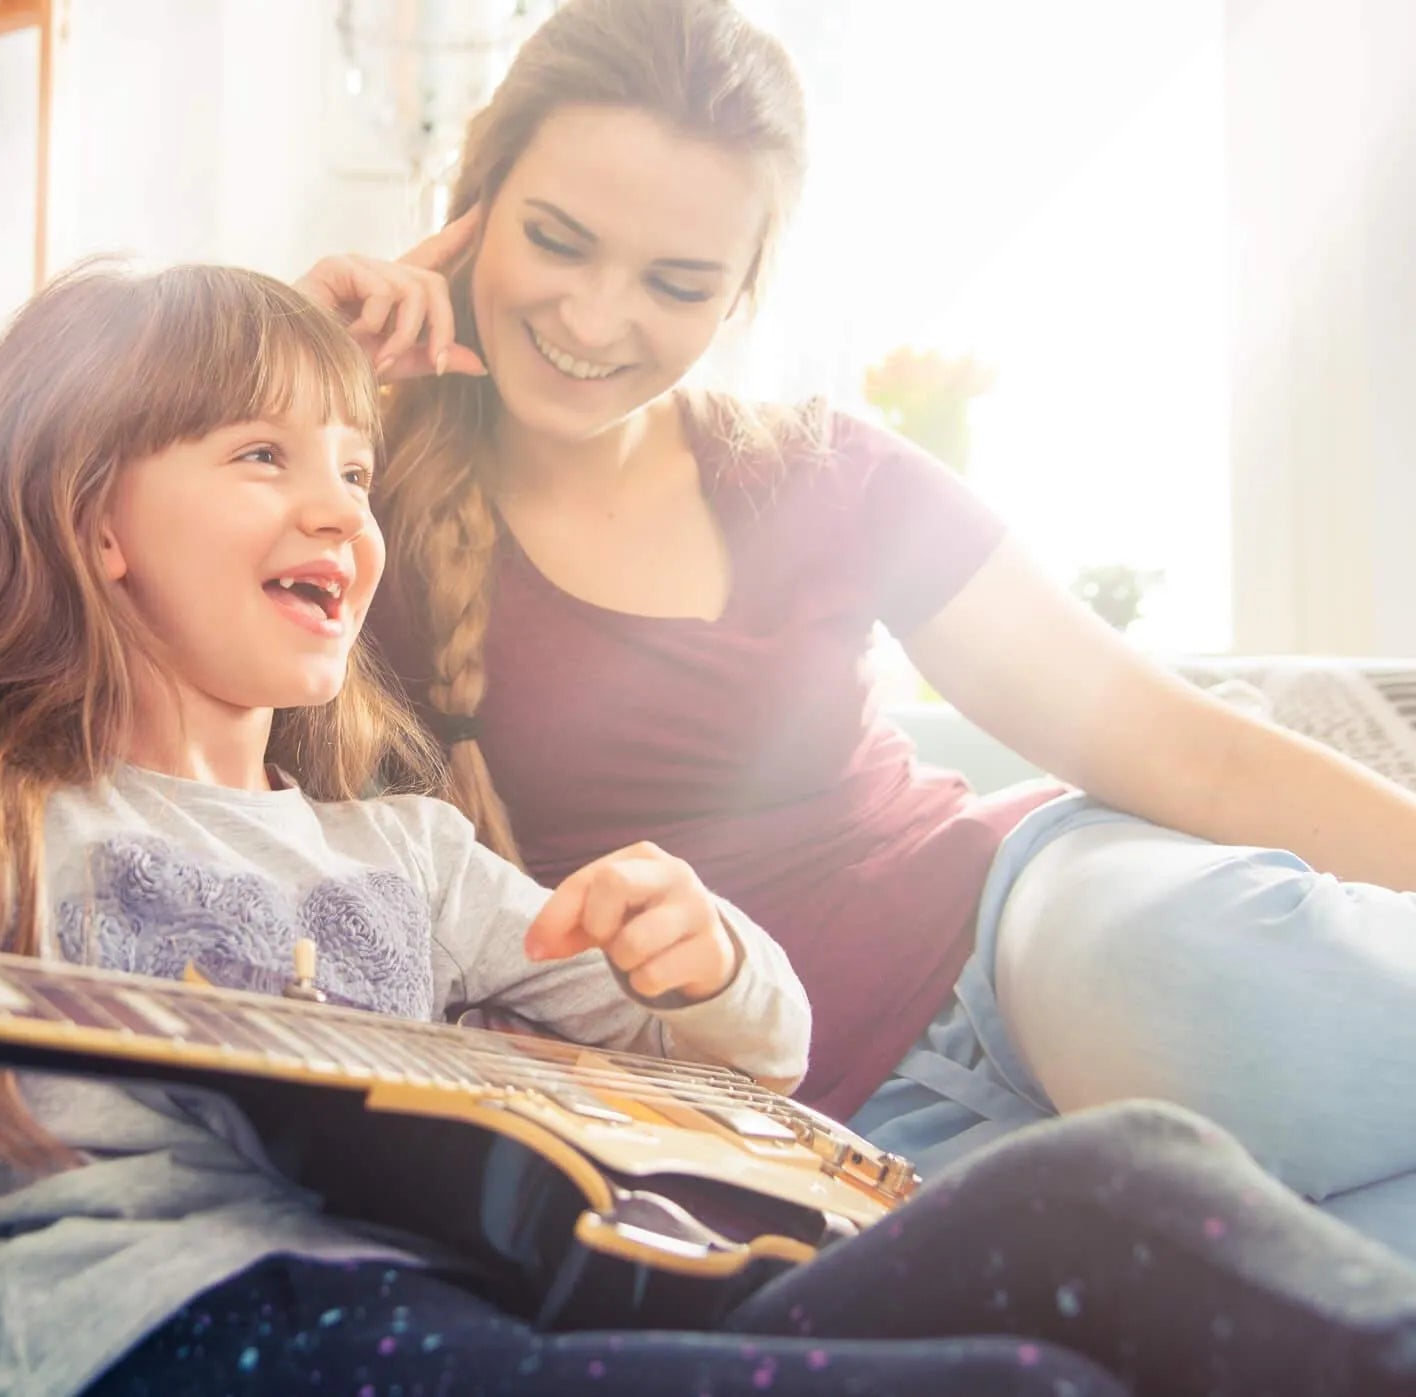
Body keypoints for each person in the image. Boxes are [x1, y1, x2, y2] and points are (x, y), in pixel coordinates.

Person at [0, 257, 1416, 1397]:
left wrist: (703, 957)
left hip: (519, 1291)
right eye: (260, 454)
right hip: (197, 1329)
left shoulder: (399, 853)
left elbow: (731, 1054)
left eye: (347, 461)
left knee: (1134, 1167)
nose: (337, 499)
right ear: (94, 521)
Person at [295, 0, 1416, 1258]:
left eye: (676, 281)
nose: (597, 319)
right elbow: (81, 645)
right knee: (1282, 1272)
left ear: (742, 291)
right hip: (799, 1123)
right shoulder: (340, 500)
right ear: (474, 207)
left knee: (1198, 996)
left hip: (1019, 935)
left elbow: (1178, 745)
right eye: (558, 241)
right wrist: (289, 385)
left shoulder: (821, 472)